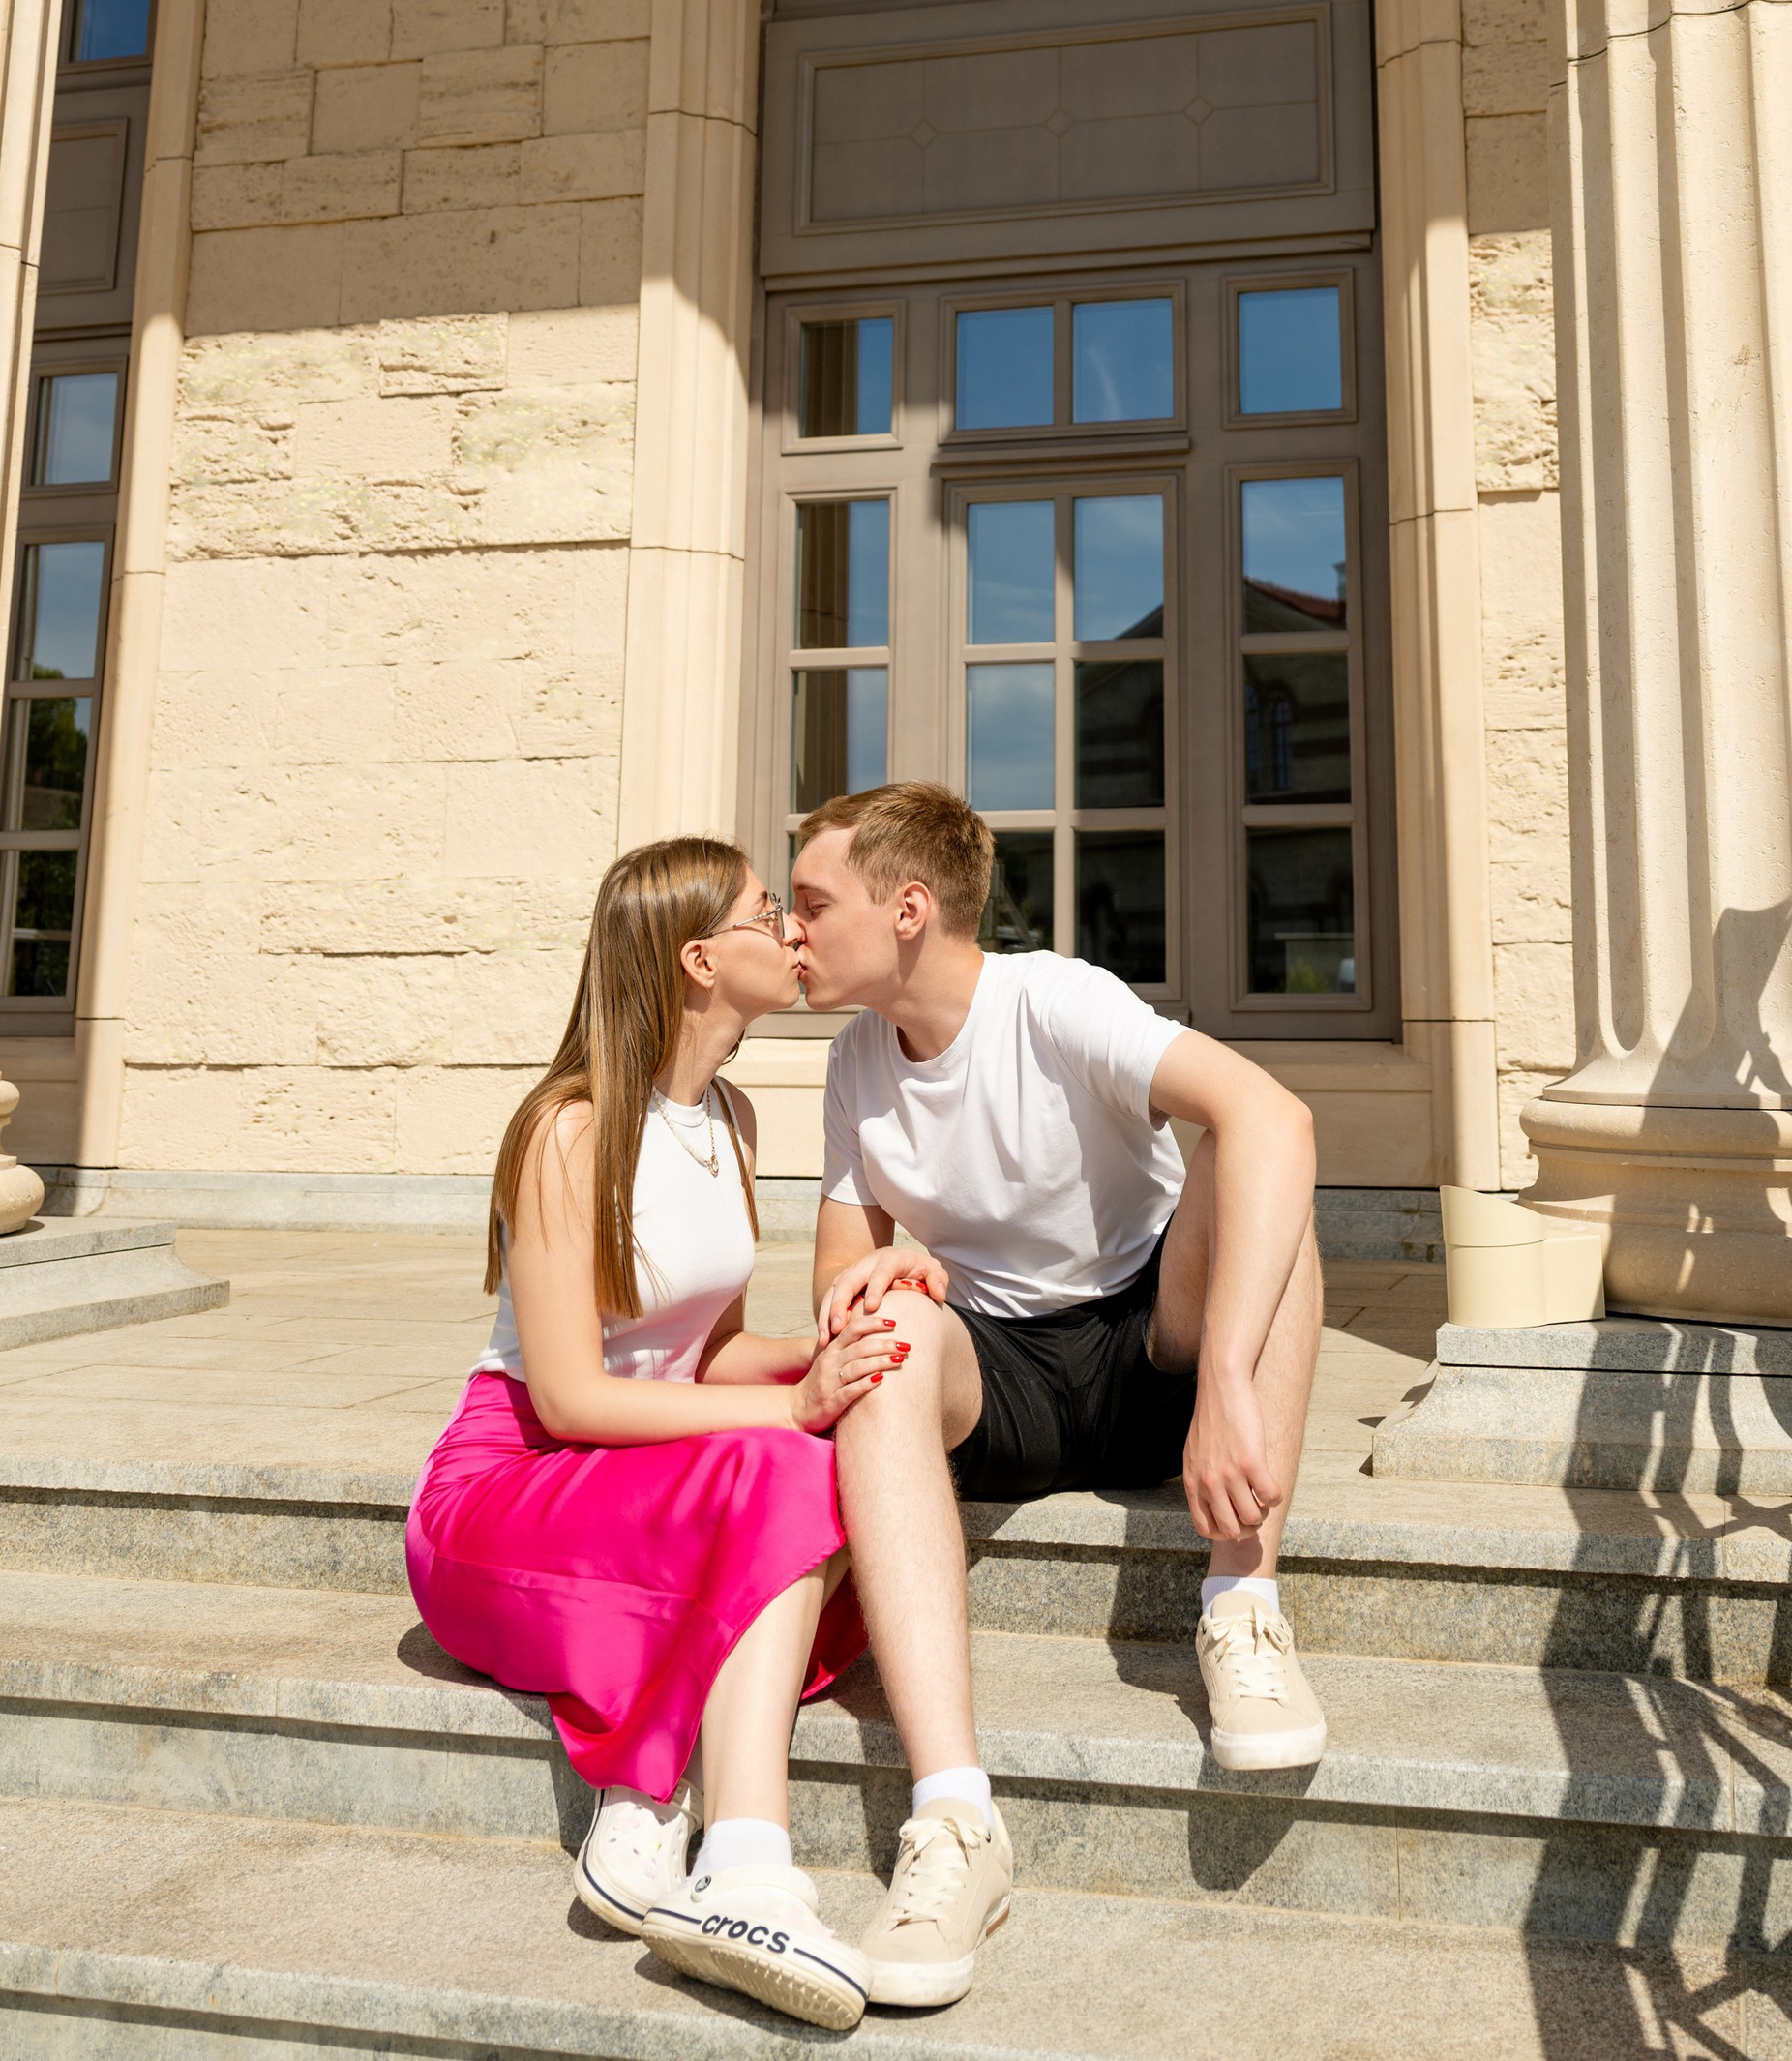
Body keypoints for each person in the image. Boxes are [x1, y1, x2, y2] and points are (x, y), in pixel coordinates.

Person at [791, 780, 1329, 2012]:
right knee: (882, 1337)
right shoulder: (856, 1061)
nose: (793, 932)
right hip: (1004, 1376)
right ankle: (956, 1819)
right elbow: (833, 1269)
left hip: (1155, 1341)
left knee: (1275, 1197)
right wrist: (883, 1267)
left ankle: (1241, 1603)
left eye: (814, 904)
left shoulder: (1054, 998)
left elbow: (1276, 1114)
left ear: (908, 907)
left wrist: (1227, 1379)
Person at [406, 836, 901, 2034]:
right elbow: (573, 1398)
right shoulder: (565, 1131)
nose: (791, 930)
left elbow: (710, 1349)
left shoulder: (728, 1114)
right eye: (763, 912)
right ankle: (723, 1848)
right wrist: (790, 1405)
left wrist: (853, 1328)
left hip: (648, 1471)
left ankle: (705, 1845)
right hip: (512, 1487)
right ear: (696, 959)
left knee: (810, 1452)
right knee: (787, 1457)